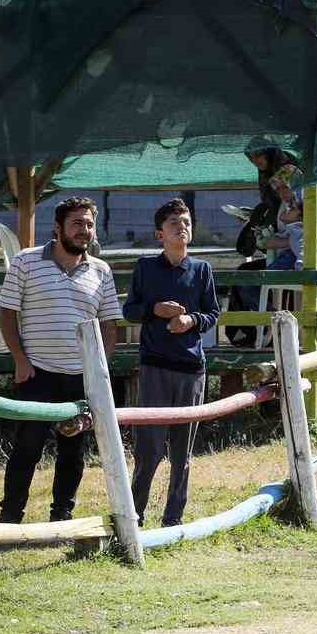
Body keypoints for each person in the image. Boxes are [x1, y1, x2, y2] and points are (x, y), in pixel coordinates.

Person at [0, 196, 123, 524]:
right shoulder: (26, 262)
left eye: (89, 224)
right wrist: (20, 360)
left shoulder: (101, 271)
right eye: (77, 223)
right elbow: (7, 311)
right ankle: (10, 518)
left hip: (81, 378)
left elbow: (110, 326)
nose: (84, 230)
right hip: (37, 373)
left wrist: (98, 372)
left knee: (73, 452)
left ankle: (62, 516)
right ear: (58, 227)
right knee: (27, 449)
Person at [123, 197, 220, 528]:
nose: (183, 228)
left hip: (192, 369)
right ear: (159, 235)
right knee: (148, 450)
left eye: (187, 223)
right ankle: (133, 517)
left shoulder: (202, 270)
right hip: (155, 367)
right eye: (174, 224)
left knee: (183, 453)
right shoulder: (145, 268)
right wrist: (154, 311)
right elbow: (129, 311)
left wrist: (191, 321)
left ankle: (173, 519)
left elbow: (212, 313)